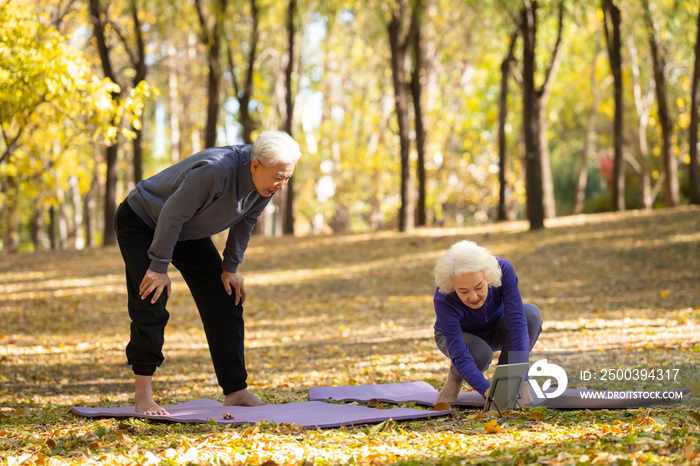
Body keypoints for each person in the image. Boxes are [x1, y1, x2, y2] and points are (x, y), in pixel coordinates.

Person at [114, 130, 302, 415]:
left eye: (287, 178)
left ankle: (235, 390)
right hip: (143, 221)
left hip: (187, 230)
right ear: (255, 166)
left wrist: (230, 268)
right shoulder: (216, 170)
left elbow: (246, 221)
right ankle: (144, 395)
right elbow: (172, 213)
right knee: (152, 296)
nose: (282, 184)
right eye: (279, 177)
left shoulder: (266, 185)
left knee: (224, 297)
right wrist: (158, 266)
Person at [432, 240, 542, 405]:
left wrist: (521, 379)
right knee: (480, 353)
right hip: (460, 338)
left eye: (479, 287)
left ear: (488, 277)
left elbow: (517, 325)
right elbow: (461, 354)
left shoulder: (503, 270)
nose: (473, 297)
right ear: (453, 287)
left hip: (496, 326)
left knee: (531, 315)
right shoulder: (443, 296)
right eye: (463, 291)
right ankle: (454, 378)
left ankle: (508, 381)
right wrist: (488, 391)